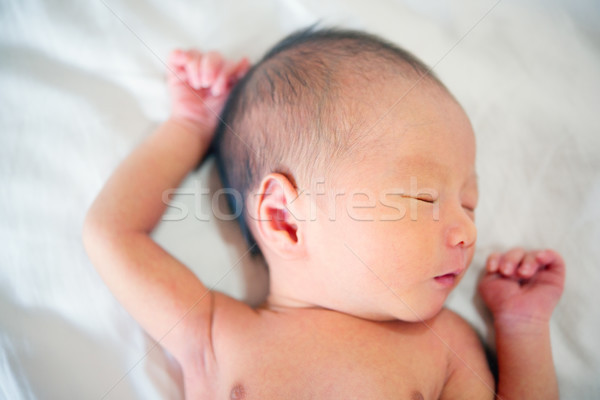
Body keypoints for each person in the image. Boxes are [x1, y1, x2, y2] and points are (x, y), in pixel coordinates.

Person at [83, 27, 565, 399]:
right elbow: (112, 233)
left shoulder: (445, 345)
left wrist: (522, 329)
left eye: (469, 203)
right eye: (423, 197)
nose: (466, 231)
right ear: (284, 220)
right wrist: (191, 126)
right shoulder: (213, 334)